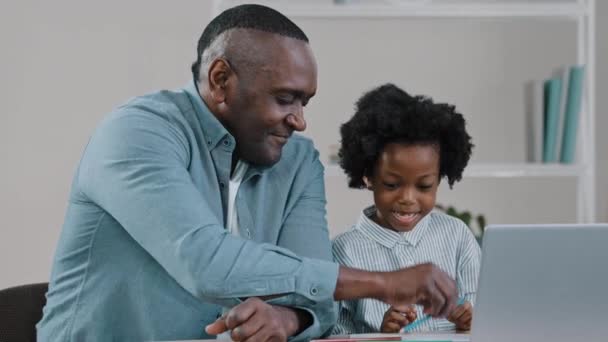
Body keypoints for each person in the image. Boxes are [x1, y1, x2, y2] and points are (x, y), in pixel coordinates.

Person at [37, 5, 458, 342]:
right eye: (285, 98)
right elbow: (205, 262)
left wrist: (288, 317)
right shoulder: (138, 132)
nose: (299, 120)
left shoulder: (297, 162)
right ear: (221, 80)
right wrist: (383, 283)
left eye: (304, 102)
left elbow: (319, 299)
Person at [331, 83, 481, 334]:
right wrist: (381, 333)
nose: (408, 198)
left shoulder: (457, 235)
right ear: (368, 176)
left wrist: (472, 316)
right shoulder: (343, 251)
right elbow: (336, 333)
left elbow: (483, 303)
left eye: (424, 186)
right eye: (392, 184)